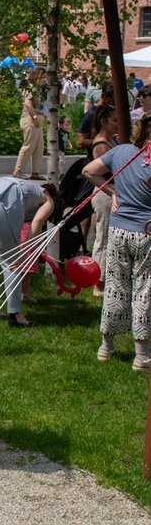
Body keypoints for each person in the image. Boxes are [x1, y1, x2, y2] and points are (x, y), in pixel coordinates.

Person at [83, 114, 151, 370]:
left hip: (119, 230)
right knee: (144, 290)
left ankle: (106, 346)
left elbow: (88, 170)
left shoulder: (121, 151)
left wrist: (114, 192)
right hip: (146, 233)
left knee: (115, 286)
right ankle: (141, 355)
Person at [0, 178, 61, 327]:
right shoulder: (48, 200)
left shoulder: (27, 188)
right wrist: (23, 253)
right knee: (11, 261)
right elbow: (36, 223)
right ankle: (15, 314)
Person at [87, 104, 120, 296]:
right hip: (105, 194)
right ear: (103, 122)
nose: (117, 124)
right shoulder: (101, 145)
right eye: (114, 120)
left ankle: (106, 278)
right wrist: (110, 192)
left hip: (113, 192)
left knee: (109, 236)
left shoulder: (112, 141)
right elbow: (98, 174)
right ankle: (97, 283)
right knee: (103, 237)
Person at [13, 87, 45, 180]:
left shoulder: (39, 89)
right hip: (30, 120)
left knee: (39, 147)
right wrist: (35, 118)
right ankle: (18, 171)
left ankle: (35, 172)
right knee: (28, 146)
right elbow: (27, 103)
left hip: (37, 121)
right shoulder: (32, 88)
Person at [77, 80, 113, 159]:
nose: (115, 104)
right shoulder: (90, 115)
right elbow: (80, 142)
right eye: (112, 100)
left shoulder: (114, 112)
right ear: (103, 97)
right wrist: (103, 142)